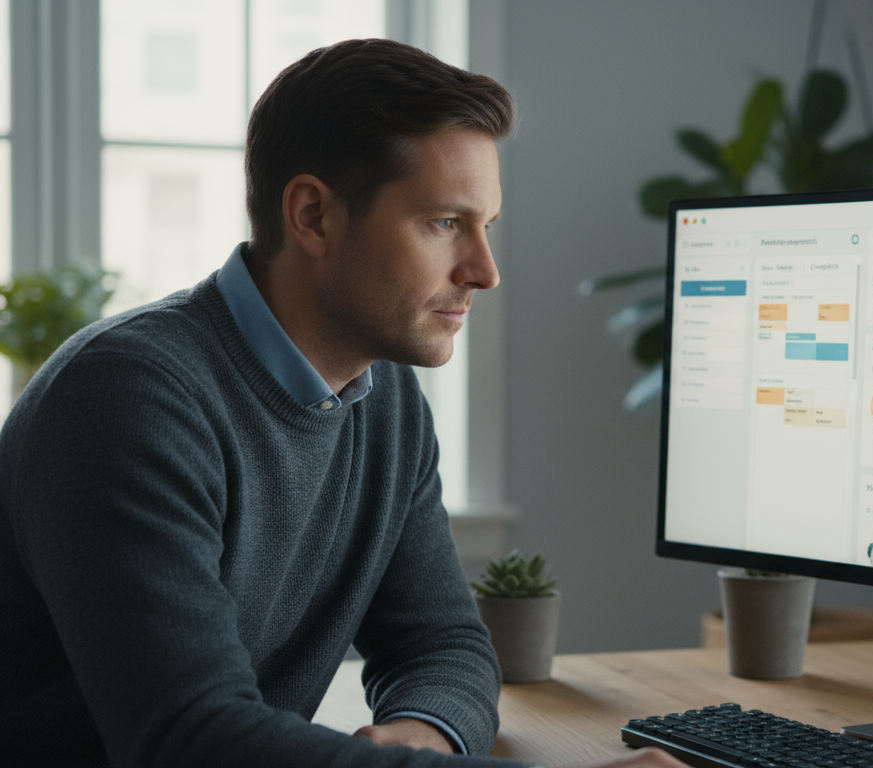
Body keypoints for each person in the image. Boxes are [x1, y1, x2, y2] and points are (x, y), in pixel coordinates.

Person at [0, 40, 687, 768]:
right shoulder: (125, 400)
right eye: (445, 223)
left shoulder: (383, 398)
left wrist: (424, 732)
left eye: (485, 226)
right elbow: (190, 739)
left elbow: (443, 643)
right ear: (313, 216)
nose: (484, 271)